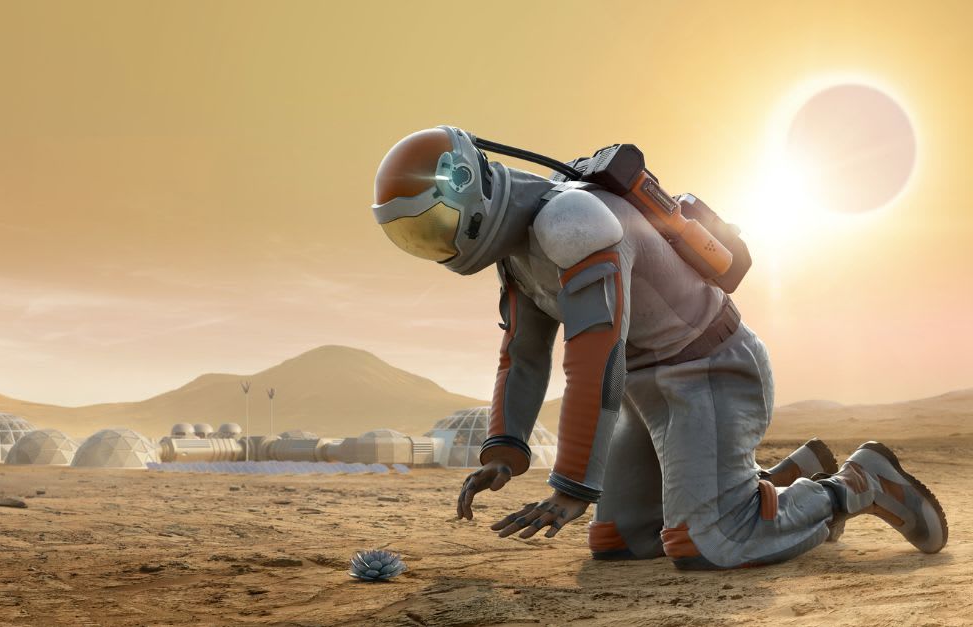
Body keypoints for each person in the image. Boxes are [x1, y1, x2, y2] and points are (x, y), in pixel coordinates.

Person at [370, 126, 947, 569]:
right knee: (620, 539)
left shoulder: (570, 223)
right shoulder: (516, 253)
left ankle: (856, 485)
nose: (433, 243)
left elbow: (594, 363)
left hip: (712, 370)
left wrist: (572, 485)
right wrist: (504, 453)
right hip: (650, 395)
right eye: (414, 236)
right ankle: (772, 480)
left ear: (469, 188)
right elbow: (521, 356)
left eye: (434, 221)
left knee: (709, 544)